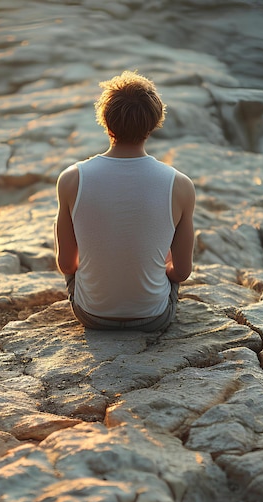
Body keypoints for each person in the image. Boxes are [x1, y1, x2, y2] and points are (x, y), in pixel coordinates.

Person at [55, 70, 195, 332]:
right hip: (153, 317)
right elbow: (182, 272)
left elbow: (66, 265)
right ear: (153, 124)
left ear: (106, 122)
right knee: (162, 252)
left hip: (92, 315)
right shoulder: (181, 184)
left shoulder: (72, 178)